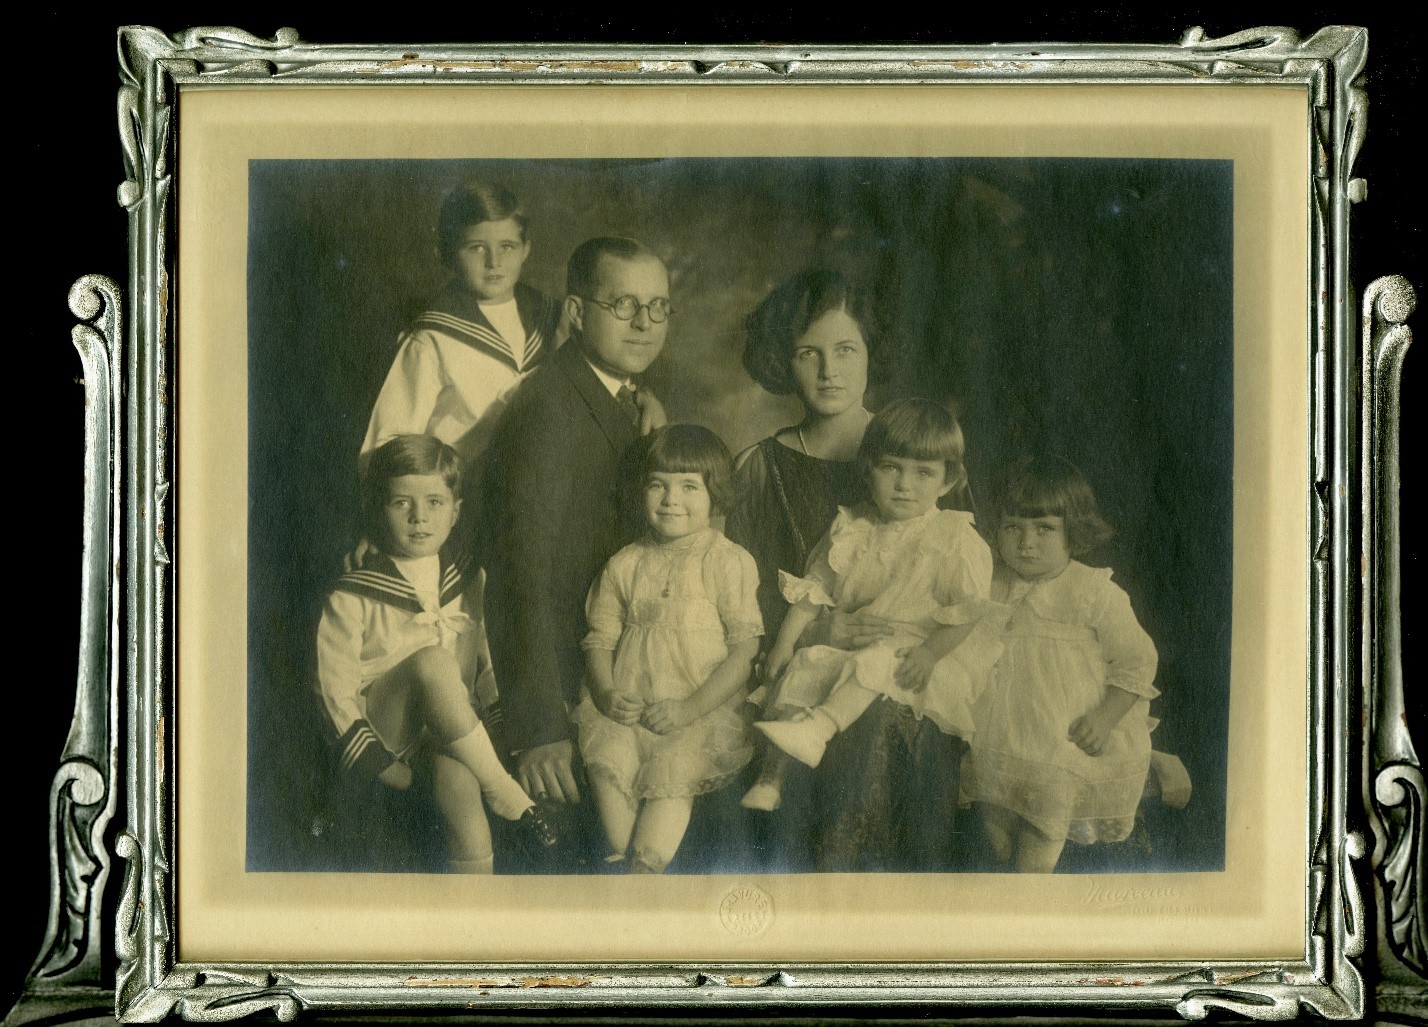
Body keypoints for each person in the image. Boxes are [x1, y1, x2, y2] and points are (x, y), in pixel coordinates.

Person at [479, 236, 673, 868]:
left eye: (658, 306)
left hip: (614, 673)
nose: (644, 323)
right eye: (624, 305)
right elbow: (520, 573)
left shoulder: (618, 394)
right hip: (560, 688)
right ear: (576, 312)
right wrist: (538, 726)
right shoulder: (548, 411)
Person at [316, 434, 557, 873]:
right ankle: (504, 789)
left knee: (461, 791)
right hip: (386, 729)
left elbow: (484, 661)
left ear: (455, 511)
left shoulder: (467, 578)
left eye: (434, 503)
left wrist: (499, 726)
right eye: (400, 503)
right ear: (376, 510)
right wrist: (379, 764)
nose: (419, 517)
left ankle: (473, 900)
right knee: (433, 661)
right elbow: (333, 690)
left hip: (449, 730)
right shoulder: (354, 592)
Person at [742, 399, 993, 819]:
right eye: (890, 468)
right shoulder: (853, 526)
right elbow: (814, 591)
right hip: (850, 642)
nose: (904, 485)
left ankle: (820, 726)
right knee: (805, 666)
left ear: (947, 481)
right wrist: (785, 643)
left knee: (877, 662)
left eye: (923, 473)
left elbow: (968, 611)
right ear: (869, 469)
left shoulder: (954, 537)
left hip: (915, 650)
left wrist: (930, 654)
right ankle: (772, 779)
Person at [572, 425, 762, 873]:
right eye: (657, 484)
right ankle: (624, 866)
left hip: (697, 711)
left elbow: (744, 651)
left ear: (715, 494)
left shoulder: (727, 560)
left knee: (662, 811)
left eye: (689, 487)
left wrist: (689, 708)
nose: (671, 499)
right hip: (626, 709)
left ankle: (646, 870)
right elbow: (599, 639)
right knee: (611, 796)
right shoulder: (625, 563)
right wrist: (606, 692)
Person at [962, 454, 1160, 873]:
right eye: (1012, 527)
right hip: (998, 731)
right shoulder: (989, 583)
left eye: (1044, 529)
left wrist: (1105, 718)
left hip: (1064, 734)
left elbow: (1138, 660)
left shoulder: (1092, 591)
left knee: (1042, 830)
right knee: (996, 831)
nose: (1026, 542)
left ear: (1074, 531)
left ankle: (1030, 893)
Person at [361, 181, 564, 473]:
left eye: (507, 246)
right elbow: (388, 444)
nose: (494, 262)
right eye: (476, 248)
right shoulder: (431, 339)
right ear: (447, 254)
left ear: (525, 250)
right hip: (465, 489)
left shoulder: (553, 318)